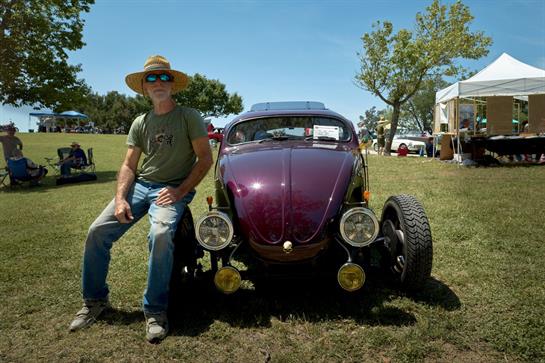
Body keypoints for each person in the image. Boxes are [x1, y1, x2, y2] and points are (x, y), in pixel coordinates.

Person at [68, 55, 213, 343]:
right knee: (97, 231)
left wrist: (180, 191)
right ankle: (95, 301)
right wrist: (121, 198)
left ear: (172, 84)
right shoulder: (140, 122)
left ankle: (156, 311)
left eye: (163, 77)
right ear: (144, 88)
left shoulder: (189, 116)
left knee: (159, 234)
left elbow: (205, 158)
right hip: (141, 185)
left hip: (170, 189)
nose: (157, 82)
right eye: (151, 78)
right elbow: (128, 165)